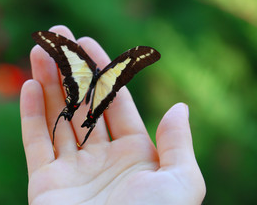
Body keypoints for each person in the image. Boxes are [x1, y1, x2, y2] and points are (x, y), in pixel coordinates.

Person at [20, 25, 206, 204]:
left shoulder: (84, 63)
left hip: (82, 86)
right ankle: (89, 118)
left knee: (79, 105)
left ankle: (82, 114)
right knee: (89, 105)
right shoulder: (106, 74)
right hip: (93, 89)